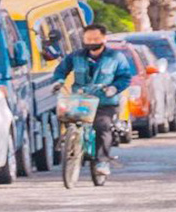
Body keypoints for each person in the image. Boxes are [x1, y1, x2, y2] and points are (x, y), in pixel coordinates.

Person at [53, 23, 133, 174]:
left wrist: (114, 88)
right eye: (88, 39)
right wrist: (58, 82)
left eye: (95, 39)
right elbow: (61, 70)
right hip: (80, 100)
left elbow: (125, 77)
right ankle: (73, 146)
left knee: (102, 126)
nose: (91, 42)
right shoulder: (76, 56)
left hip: (105, 102)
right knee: (66, 118)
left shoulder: (115, 57)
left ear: (103, 39)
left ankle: (102, 162)